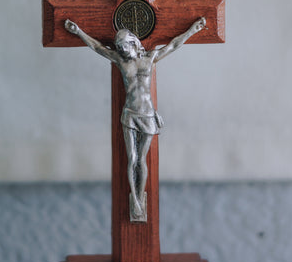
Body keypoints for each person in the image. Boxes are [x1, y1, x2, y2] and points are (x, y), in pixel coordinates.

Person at [64, 16, 206, 222]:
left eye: (124, 46)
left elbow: (174, 44)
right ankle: (136, 201)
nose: (122, 50)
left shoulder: (150, 58)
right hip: (130, 113)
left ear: (133, 43)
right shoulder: (121, 62)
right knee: (132, 159)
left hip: (147, 115)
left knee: (142, 160)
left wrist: (193, 30)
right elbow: (97, 47)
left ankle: (140, 194)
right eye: (119, 47)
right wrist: (78, 31)